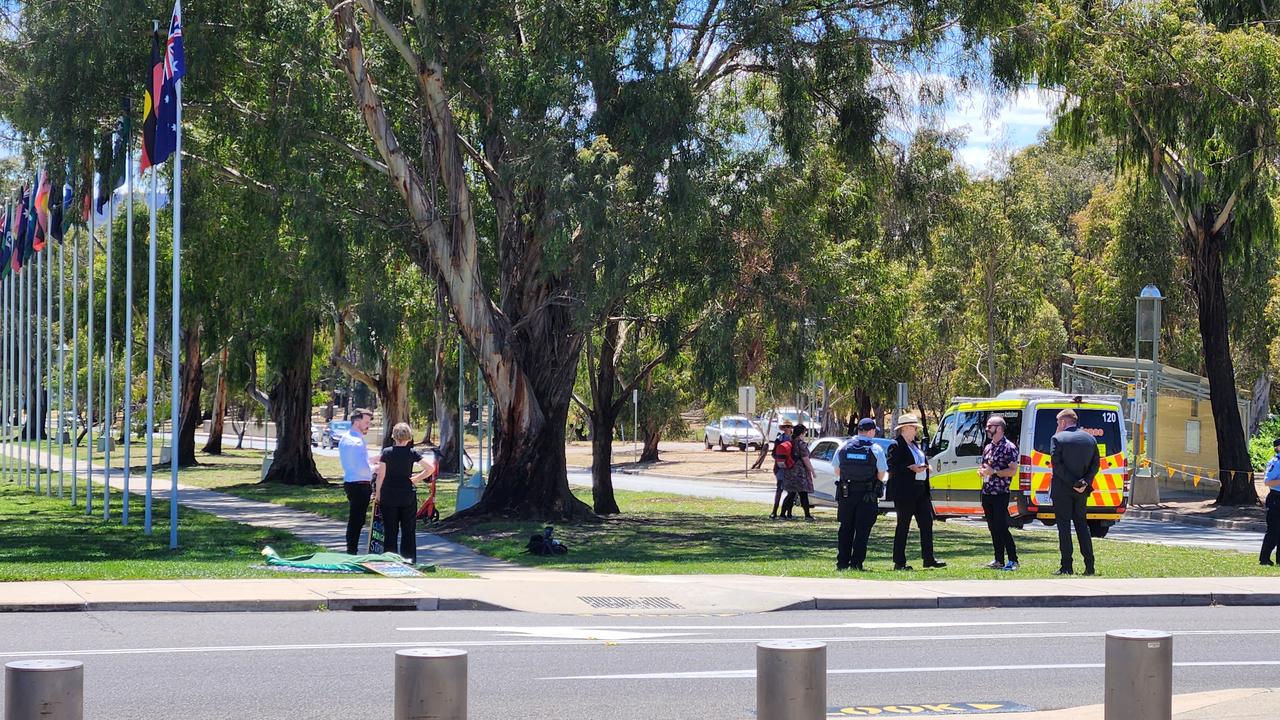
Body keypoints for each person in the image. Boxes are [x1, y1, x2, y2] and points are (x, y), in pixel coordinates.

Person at [887, 413, 944, 570]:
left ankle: (928, 558)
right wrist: (909, 469)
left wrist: (926, 467)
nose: (915, 431)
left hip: (920, 490)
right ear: (905, 428)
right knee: (903, 525)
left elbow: (921, 461)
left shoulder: (916, 445)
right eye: (913, 428)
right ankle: (899, 562)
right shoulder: (896, 445)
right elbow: (892, 467)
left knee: (927, 523)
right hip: (905, 492)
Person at [374, 423, 435, 564]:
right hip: (407, 493)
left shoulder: (387, 452)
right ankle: (409, 559)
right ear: (409, 437)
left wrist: (378, 493)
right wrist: (416, 479)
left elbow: (381, 475)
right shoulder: (412, 452)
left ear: (393, 437)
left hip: (389, 493)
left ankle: (389, 559)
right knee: (408, 529)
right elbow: (430, 468)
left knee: (390, 529)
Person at [1050, 408, 1099, 575]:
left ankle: (1067, 566)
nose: (1058, 425)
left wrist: (1073, 483)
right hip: (1082, 491)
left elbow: (1057, 466)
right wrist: (1084, 482)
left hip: (1062, 490)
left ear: (1063, 422)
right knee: (1082, 526)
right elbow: (1095, 464)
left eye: (1058, 422)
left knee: (1064, 528)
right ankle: (1089, 566)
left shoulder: (1057, 438)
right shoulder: (1090, 439)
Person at [835, 418, 888, 571]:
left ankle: (842, 563)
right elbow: (881, 474)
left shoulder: (844, 446)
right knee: (862, 529)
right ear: (870, 431)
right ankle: (856, 563)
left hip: (846, 493)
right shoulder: (875, 448)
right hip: (867, 495)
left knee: (846, 528)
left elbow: (837, 470)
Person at [979, 415, 1020, 571]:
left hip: (1000, 493)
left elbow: (1012, 471)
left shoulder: (1009, 447)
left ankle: (1013, 560)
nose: (987, 429)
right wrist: (982, 472)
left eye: (990, 426)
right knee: (992, 527)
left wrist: (994, 472)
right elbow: (985, 466)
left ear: (1000, 428)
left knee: (1002, 526)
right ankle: (998, 559)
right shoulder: (989, 447)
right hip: (987, 491)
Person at [339, 408, 377, 555]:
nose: (368, 425)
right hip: (358, 484)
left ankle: (352, 549)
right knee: (356, 519)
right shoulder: (355, 442)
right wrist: (376, 468)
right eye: (366, 422)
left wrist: (373, 460)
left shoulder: (352, 439)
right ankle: (351, 551)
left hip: (355, 483)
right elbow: (361, 467)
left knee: (357, 519)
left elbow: (359, 462)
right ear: (356, 421)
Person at [779, 422, 816, 521]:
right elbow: (805, 459)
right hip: (800, 473)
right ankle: (807, 515)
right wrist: (812, 471)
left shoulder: (791, 442)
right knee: (803, 494)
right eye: (805, 433)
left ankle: (782, 514)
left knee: (791, 493)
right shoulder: (801, 444)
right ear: (802, 433)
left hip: (789, 471)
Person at [1259, 437, 1280, 566]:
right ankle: (1265, 558)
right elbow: (1267, 482)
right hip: (1276, 498)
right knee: (1273, 530)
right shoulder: (1276, 462)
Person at [769, 420, 795, 519]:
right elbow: (773, 453)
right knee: (779, 489)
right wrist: (780, 460)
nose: (787, 428)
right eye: (785, 427)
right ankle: (774, 511)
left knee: (792, 491)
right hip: (780, 468)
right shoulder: (779, 439)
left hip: (791, 467)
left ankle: (788, 512)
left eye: (789, 426)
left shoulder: (794, 439)